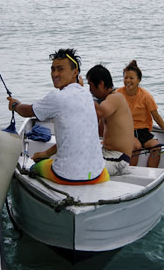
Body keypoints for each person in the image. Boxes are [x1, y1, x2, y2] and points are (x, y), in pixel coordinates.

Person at [7, 48, 109, 185]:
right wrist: (47, 153)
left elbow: (27, 111)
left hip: (67, 176)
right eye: (52, 69)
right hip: (97, 174)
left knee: (36, 167)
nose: (54, 74)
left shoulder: (57, 97)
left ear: (75, 72)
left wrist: (15, 105)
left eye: (60, 69)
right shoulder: (86, 95)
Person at [117, 60, 164, 168]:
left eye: (131, 78)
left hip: (143, 132)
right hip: (127, 130)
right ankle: (130, 173)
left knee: (156, 147)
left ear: (139, 80)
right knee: (136, 146)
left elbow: (156, 116)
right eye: (125, 77)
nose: (128, 81)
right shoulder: (118, 94)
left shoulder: (146, 96)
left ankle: (150, 172)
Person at [86, 64, 134, 176]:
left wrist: (80, 94)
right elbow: (99, 132)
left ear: (101, 84)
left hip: (119, 159)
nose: (89, 90)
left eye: (91, 86)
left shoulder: (115, 98)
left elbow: (99, 112)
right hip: (106, 154)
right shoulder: (107, 101)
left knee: (85, 168)